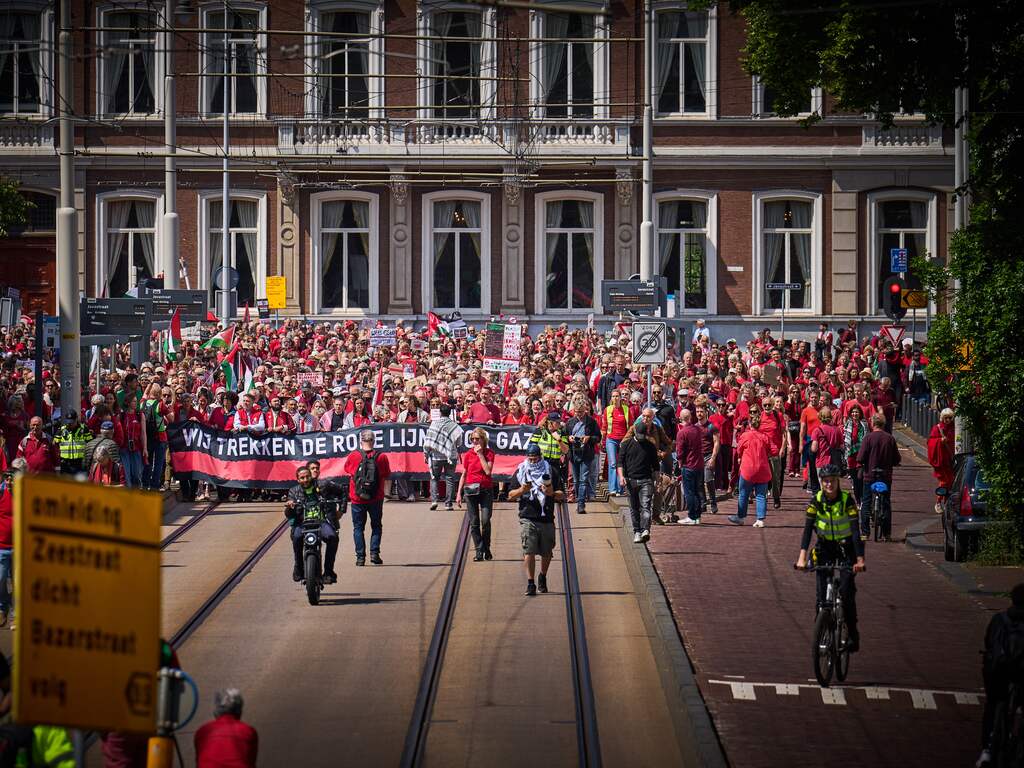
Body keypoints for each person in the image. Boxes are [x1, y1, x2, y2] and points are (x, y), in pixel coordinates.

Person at [795, 464, 866, 653]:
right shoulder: (815, 501)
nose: (829, 484)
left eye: (832, 481)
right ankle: (822, 628)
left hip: (846, 549)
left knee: (846, 593)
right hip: (825, 548)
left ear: (838, 481)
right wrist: (802, 558)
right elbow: (808, 530)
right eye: (825, 481)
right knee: (821, 598)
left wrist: (859, 559)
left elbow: (855, 531)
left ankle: (852, 634)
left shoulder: (846, 501)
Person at [977, 583, 1024, 768]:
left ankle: (987, 750)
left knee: (993, 704)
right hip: (1020, 673)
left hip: (997, 671)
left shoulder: (999, 619)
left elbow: (989, 642)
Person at [508, 443, 563, 596]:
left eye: (535, 459)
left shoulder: (550, 471)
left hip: (546, 517)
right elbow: (510, 495)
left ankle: (542, 576)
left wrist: (551, 492)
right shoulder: (521, 471)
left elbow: (562, 494)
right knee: (529, 550)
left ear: (540, 457)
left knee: (547, 552)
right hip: (527, 516)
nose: (533, 462)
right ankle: (531, 583)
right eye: (530, 459)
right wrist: (522, 490)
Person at [285, 465, 340, 583]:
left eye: (307, 477)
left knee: (332, 537)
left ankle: (329, 572)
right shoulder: (293, 491)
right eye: (302, 478)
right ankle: (298, 568)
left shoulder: (322, 486)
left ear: (311, 476)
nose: (305, 480)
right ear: (298, 480)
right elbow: (289, 515)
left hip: (321, 522)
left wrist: (341, 510)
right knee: (297, 538)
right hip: (302, 523)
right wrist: (290, 506)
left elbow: (342, 492)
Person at [344, 430, 391, 566]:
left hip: (357, 498)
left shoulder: (353, 456)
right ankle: (374, 554)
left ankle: (360, 557)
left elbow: (347, 469)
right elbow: (386, 473)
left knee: (358, 528)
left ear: (361, 441)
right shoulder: (381, 457)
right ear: (374, 441)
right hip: (376, 497)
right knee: (376, 526)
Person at [856, 412, 901, 540]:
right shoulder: (889, 438)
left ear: (872, 423)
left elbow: (860, 457)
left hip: (870, 475)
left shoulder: (868, 438)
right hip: (885, 476)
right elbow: (897, 458)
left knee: (866, 502)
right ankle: (887, 534)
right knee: (886, 503)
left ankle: (865, 533)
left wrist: (862, 464)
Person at [729, 407, 772, 527]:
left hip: (748, 469)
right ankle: (760, 519)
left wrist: (741, 455)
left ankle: (741, 517)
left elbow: (739, 449)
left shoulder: (745, 435)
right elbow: (773, 450)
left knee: (743, 493)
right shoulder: (764, 437)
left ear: (749, 424)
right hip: (763, 469)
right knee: (761, 495)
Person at [194, 688, 258, 768]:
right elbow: (251, 763)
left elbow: (199, 762)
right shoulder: (249, 731)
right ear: (239, 710)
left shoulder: (202, 731)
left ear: (217, 710)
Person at [618, 421, 660, 543]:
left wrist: (657, 481)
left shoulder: (650, 446)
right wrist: (621, 477)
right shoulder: (626, 445)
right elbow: (620, 463)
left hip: (646, 480)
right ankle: (637, 531)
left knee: (645, 506)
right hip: (630, 481)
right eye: (639, 434)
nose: (641, 437)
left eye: (643, 434)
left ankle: (645, 529)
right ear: (635, 432)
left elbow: (656, 466)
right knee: (634, 507)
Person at [457, 427, 495, 561]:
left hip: (485, 490)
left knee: (485, 521)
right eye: (472, 439)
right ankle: (479, 550)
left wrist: (480, 455)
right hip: (470, 490)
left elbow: (488, 471)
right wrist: (458, 493)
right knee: (474, 522)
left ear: (483, 439)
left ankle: (487, 548)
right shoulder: (467, 454)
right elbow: (464, 474)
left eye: (477, 439)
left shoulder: (489, 453)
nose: (474, 441)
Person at [422, 403, 463, 511]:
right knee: (449, 479)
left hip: (436, 456)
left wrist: (426, 454)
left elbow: (428, 440)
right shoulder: (454, 425)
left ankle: (434, 500)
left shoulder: (434, 424)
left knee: (434, 478)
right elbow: (459, 442)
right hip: (451, 455)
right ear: (450, 413)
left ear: (440, 412)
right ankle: (448, 504)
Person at [564, 397, 601, 514]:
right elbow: (563, 436)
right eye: (576, 412)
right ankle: (578, 499)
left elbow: (598, 437)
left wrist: (589, 438)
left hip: (586, 453)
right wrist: (569, 438)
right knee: (576, 480)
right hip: (574, 454)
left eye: (581, 412)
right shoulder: (570, 422)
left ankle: (581, 504)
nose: (579, 414)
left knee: (583, 479)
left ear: (585, 410)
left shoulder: (591, 422)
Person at [675, 409, 704, 526]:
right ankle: (697, 516)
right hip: (699, 464)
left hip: (689, 465)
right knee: (697, 491)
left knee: (689, 492)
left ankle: (692, 516)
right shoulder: (697, 429)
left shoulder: (682, 432)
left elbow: (680, 451)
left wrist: (680, 461)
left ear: (681, 418)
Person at [928, 408, 956, 515]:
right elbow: (930, 442)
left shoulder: (954, 429)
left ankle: (947, 502)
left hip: (950, 460)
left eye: (950, 418)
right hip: (941, 460)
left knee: (951, 482)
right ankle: (938, 502)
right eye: (946, 418)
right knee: (944, 482)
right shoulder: (937, 428)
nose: (948, 420)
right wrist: (939, 441)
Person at [529, 412, 567, 484]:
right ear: (550, 422)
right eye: (557, 422)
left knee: (555, 487)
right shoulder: (540, 431)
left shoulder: (562, 433)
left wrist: (559, 440)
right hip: (541, 463)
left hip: (555, 464)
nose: (560, 424)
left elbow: (565, 451)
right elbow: (531, 448)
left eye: (560, 422)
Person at [54, 410, 91, 475]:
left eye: (72, 422)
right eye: (68, 422)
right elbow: (54, 444)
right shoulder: (61, 430)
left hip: (80, 462)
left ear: (76, 419)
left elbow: (90, 444)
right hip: (65, 462)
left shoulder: (84, 429)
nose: (69, 424)